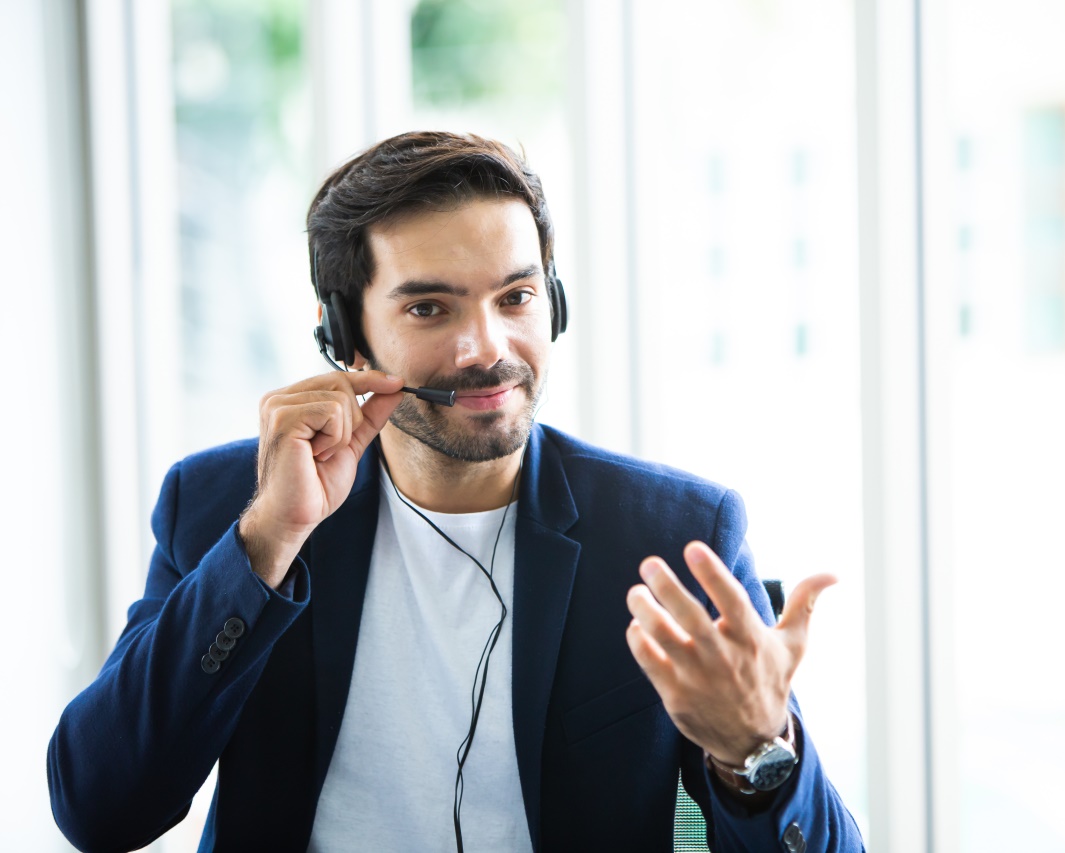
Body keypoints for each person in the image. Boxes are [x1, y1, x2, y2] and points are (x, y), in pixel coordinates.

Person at [48, 131, 864, 852]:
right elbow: (100, 809)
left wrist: (754, 747)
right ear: (346, 334)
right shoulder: (229, 502)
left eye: (516, 298)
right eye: (430, 307)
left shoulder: (675, 535)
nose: (486, 348)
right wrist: (265, 544)